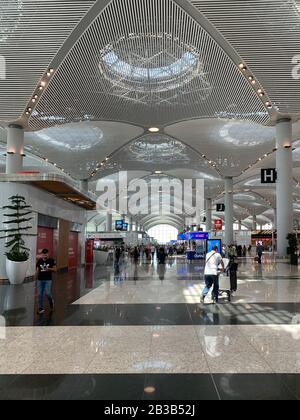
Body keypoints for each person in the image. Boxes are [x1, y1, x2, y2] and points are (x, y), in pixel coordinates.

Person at [36, 249, 56, 315]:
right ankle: (41, 308)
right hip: (40, 280)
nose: (45, 256)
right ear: (41, 254)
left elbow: (55, 269)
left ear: (48, 254)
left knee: (47, 293)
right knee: (39, 294)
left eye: (46, 254)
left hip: (48, 280)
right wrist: (35, 279)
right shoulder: (39, 261)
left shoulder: (51, 260)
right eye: (43, 254)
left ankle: (51, 302)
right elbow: (37, 270)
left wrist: (49, 269)